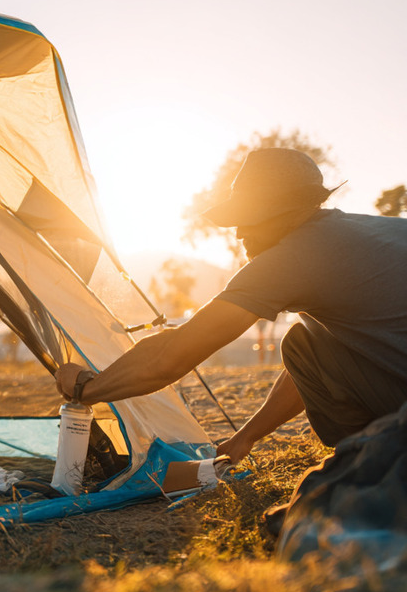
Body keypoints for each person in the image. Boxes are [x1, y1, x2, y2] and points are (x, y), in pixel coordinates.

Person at [56, 148, 407, 463]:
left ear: (281, 212)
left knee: (304, 345)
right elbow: (316, 368)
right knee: (305, 345)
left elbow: (168, 356)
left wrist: (86, 389)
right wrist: (246, 437)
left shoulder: (293, 256)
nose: (238, 233)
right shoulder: (368, 232)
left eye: (248, 217)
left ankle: (376, 461)